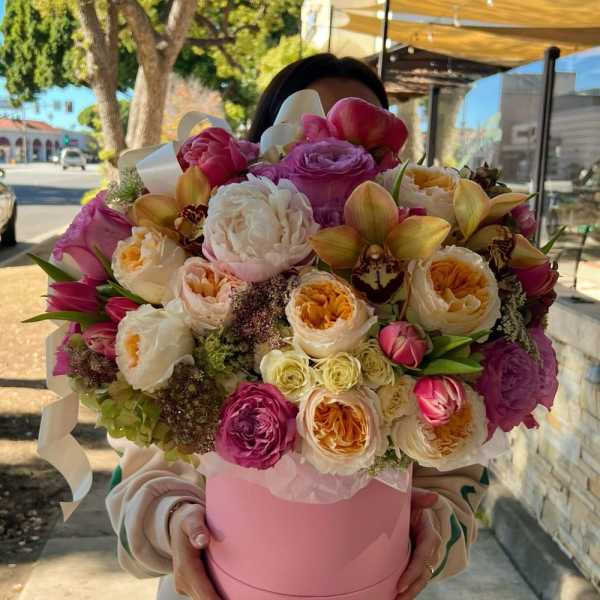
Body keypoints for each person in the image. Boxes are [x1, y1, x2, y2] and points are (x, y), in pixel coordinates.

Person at [106, 53, 489, 600]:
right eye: (308, 131)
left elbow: (462, 476)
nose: (333, 150)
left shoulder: (424, 294)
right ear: (264, 148)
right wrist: (174, 529)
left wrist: (437, 531)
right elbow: (133, 484)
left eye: (360, 142)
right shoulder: (197, 298)